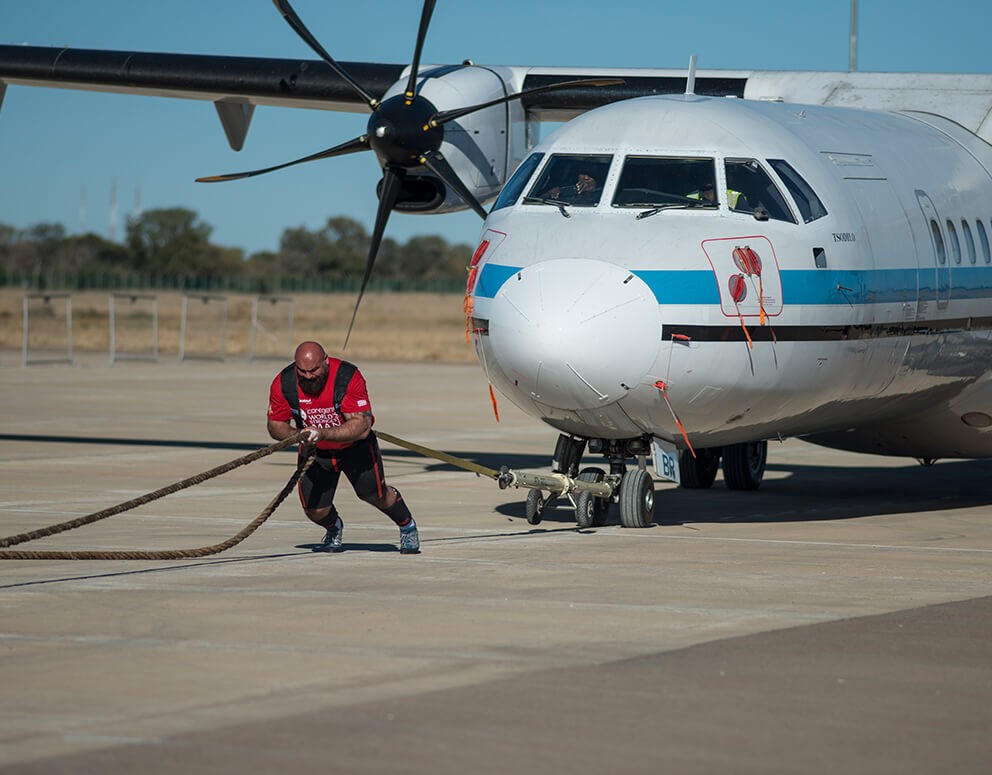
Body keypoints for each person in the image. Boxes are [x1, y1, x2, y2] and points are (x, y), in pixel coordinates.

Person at [266, 341, 420, 554]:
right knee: (314, 510)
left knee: (375, 495)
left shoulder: (347, 377)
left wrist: (323, 433)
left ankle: (407, 525)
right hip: (315, 452)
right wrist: (298, 436)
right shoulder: (283, 383)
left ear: (326, 362)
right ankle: (333, 527)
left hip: (355, 447)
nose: (309, 376)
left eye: (314, 370)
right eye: (302, 371)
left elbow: (362, 425)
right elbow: (275, 425)